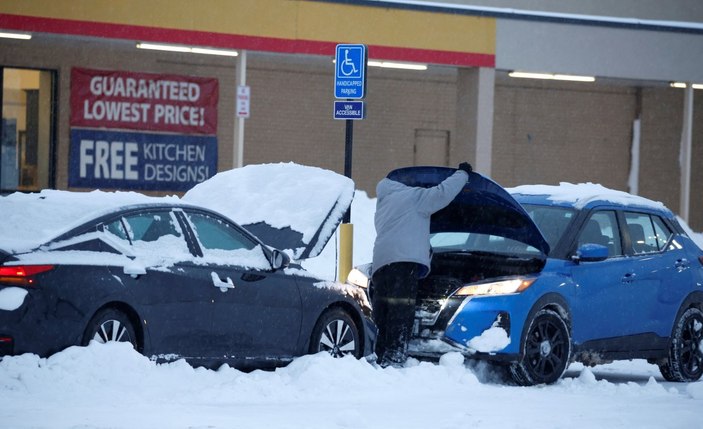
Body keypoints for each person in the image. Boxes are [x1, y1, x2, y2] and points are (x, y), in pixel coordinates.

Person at [371, 162, 472, 367]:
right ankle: (395, 357)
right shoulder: (414, 198)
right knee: (401, 310)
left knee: (383, 311)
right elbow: (443, 193)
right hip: (403, 262)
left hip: (381, 263)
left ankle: (379, 354)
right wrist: (462, 174)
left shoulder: (386, 201)